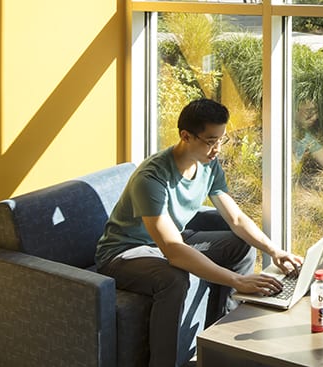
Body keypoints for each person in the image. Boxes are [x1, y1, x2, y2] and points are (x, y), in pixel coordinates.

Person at [96, 98, 304, 366]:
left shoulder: (208, 165)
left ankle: (220, 339)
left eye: (221, 140)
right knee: (174, 278)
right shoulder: (152, 178)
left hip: (172, 239)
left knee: (239, 245)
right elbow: (173, 251)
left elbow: (237, 218)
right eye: (210, 141)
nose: (217, 148)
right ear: (185, 136)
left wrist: (275, 250)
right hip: (124, 253)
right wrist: (237, 281)